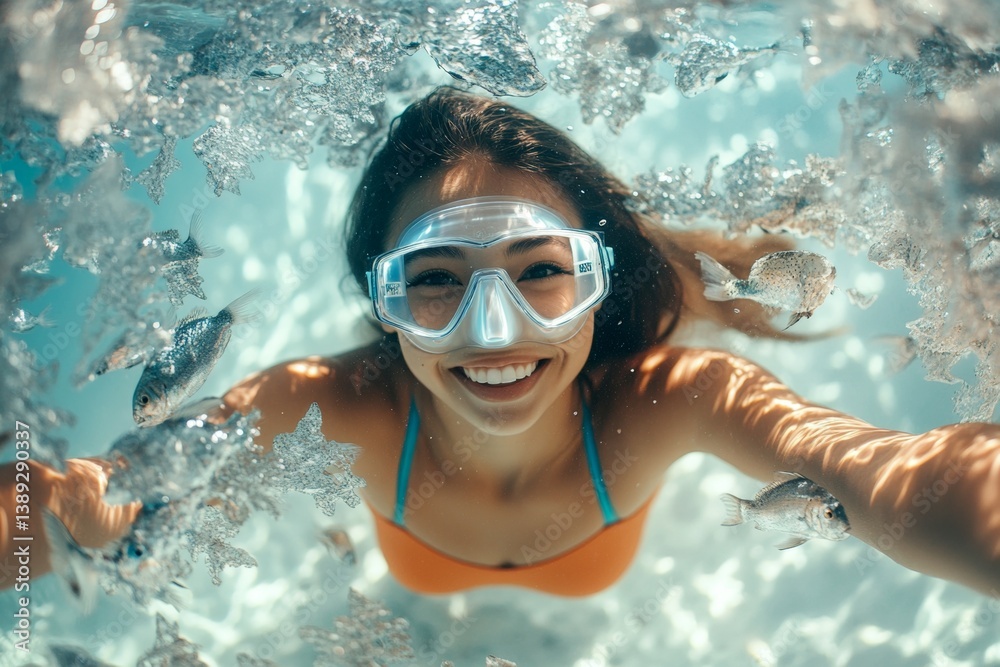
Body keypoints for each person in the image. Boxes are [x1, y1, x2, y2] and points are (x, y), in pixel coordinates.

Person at [2, 87, 999, 598]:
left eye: (540, 270)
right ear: (383, 305)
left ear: (594, 277)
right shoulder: (339, 401)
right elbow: (106, 487)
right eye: (435, 282)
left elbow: (896, 475)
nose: (495, 336)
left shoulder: (666, 400)